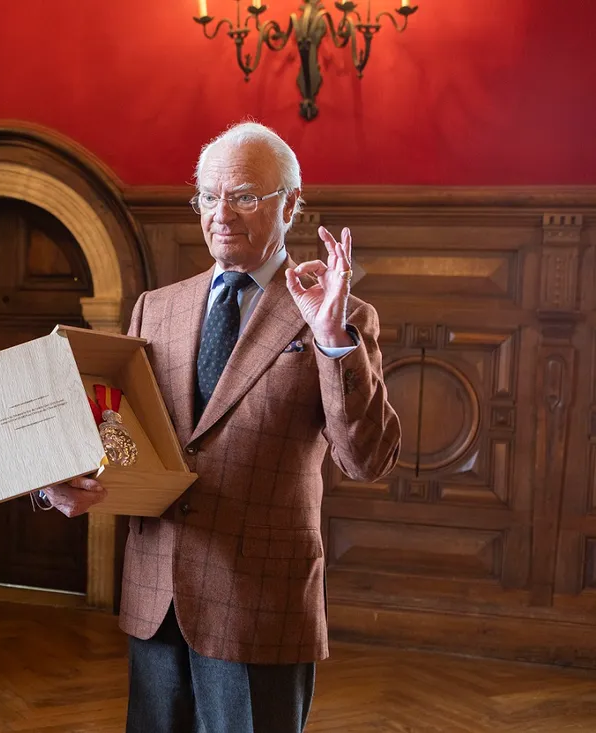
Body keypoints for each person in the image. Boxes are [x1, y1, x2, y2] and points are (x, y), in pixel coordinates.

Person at [41, 121, 401, 732]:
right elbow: (118, 432)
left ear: (290, 204)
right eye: (208, 196)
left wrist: (332, 342)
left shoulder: (340, 314)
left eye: (243, 195)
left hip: (260, 599)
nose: (220, 213)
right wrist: (62, 473)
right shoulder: (158, 306)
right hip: (157, 596)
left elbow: (366, 458)